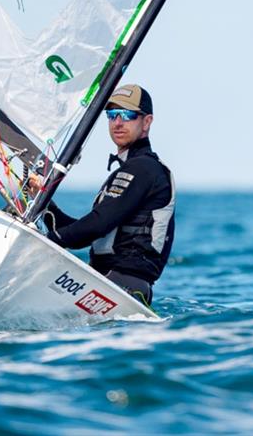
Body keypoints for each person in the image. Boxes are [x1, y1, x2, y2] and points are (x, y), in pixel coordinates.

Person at [29, 84, 175, 306]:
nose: (117, 122)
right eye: (112, 115)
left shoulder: (144, 169)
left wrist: (45, 243)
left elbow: (97, 225)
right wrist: (46, 207)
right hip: (107, 281)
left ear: (147, 122)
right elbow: (90, 230)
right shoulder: (130, 168)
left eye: (127, 115)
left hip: (124, 287)